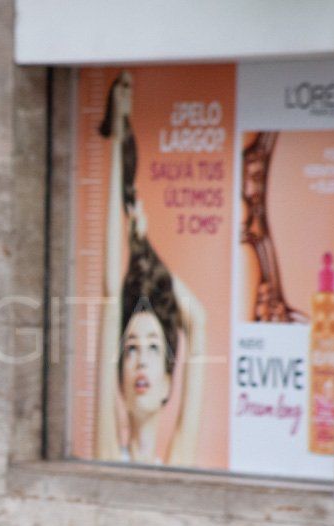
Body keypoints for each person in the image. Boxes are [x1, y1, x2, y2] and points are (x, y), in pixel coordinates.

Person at [94, 71, 206, 466]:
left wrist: (142, 244)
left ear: (169, 382)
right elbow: (110, 293)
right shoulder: (107, 454)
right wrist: (118, 139)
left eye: (154, 348)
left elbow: (198, 320)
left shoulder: (177, 461)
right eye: (131, 349)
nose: (140, 360)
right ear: (118, 378)